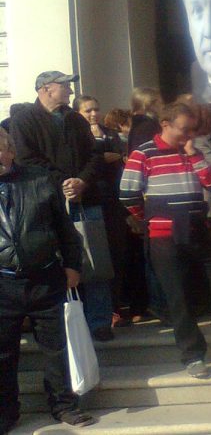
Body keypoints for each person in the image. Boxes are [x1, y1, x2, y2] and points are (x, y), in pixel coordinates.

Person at [119, 103, 211, 377]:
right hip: (164, 234)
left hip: (198, 229)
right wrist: (150, 218)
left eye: (191, 130)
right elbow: (127, 194)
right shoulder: (143, 153)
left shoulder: (190, 150)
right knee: (178, 296)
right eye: (184, 129)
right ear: (165, 124)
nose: (188, 135)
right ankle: (193, 355)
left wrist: (194, 155)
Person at [0, 128, 96, 432]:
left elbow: (66, 230)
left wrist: (73, 265)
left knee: (56, 349)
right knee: (3, 354)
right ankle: (6, 412)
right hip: (3, 286)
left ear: (11, 150)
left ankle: (63, 405)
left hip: (45, 278)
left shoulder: (39, 180)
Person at [10, 72, 114, 341]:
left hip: (84, 199)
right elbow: (26, 158)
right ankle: (60, 323)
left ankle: (100, 321)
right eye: (64, 85)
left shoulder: (75, 119)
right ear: (46, 89)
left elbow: (94, 155)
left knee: (95, 262)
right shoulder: (24, 118)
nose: (70, 89)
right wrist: (62, 183)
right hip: (45, 204)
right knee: (56, 265)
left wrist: (82, 181)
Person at [73, 95, 135, 326]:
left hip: (113, 201)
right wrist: (101, 152)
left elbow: (120, 154)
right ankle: (99, 311)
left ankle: (115, 307)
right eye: (87, 110)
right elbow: (94, 161)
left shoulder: (109, 132)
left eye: (96, 109)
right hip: (90, 200)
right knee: (94, 258)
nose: (93, 114)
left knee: (116, 255)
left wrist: (112, 153)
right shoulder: (77, 134)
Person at [128, 87, 163, 155]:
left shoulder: (138, 123)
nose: (163, 106)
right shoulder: (147, 125)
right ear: (150, 104)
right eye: (160, 103)